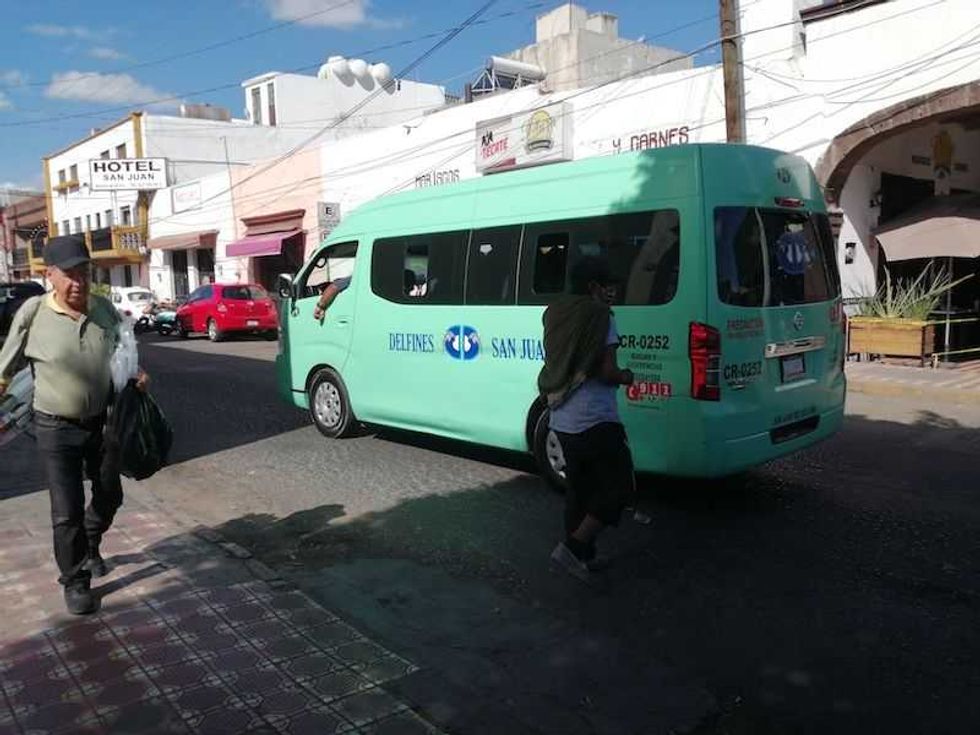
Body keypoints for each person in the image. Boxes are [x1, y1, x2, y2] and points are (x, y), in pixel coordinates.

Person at [0, 235, 149, 615]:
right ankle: (76, 579)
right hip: (54, 427)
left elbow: (123, 350)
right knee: (65, 510)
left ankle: (91, 538)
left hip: (101, 423)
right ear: (50, 274)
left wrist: (137, 374)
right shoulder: (33, 315)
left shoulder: (103, 310)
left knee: (109, 494)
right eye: (68, 274)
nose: (78, 281)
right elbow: (5, 369)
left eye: (83, 271)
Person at [538, 255, 635, 584]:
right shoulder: (600, 316)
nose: (612, 291)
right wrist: (626, 376)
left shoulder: (555, 313)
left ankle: (585, 558)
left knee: (580, 489)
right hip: (596, 418)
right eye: (608, 285)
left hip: (561, 418)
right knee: (620, 488)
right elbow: (606, 371)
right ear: (593, 287)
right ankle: (574, 548)